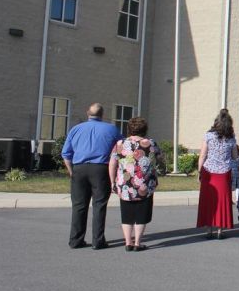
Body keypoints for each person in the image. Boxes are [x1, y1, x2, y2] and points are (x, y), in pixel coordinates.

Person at [62, 103, 123, 250]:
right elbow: (122, 148)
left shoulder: (76, 129)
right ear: (102, 114)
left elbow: (66, 154)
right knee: (99, 205)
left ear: (87, 113)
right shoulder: (112, 129)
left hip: (79, 168)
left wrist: (71, 171)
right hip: (101, 169)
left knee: (78, 206)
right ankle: (98, 240)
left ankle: (75, 240)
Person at [108, 117, 163, 251]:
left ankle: (128, 242)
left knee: (126, 214)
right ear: (145, 129)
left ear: (129, 129)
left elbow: (112, 163)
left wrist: (112, 181)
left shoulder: (120, 144)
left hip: (125, 184)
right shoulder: (151, 143)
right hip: (145, 184)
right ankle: (137, 243)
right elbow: (160, 159)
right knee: (141, 214)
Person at [197, 109, 239, 239]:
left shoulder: (208, 136)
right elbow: (235, 156)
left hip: (209, 171)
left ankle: (209, 230)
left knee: (208, 200)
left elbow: (203, 155)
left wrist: (199, 170)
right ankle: (220, 230)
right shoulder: (231, 138)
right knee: (222, 201)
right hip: (224, 171)